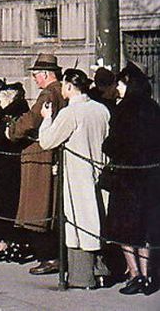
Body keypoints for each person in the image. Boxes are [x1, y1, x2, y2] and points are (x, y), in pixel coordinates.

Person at [38, 69, 111, 289]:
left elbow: (47, 141)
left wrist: (46, 119)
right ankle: (101, 270)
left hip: (78, 175)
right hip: (99, 170)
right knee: (98, 218)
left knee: (78, 222)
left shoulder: (70, 113)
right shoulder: (101, 110)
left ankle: (82, 276)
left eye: (63, 85)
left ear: (69, 86)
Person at [5, 53, 66, 276]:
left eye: (37, 75)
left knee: (37, 208)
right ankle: (51, 255)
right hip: (51, 153)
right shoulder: (61, 91)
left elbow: (32, 119)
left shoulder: (49, 93)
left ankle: (48, 257)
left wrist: (12, 131)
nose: (35, 79)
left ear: (47, 74)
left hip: (41, 155)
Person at [103, 63, 160, 296]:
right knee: (146, 229)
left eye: (120, 83)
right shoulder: (154, 107)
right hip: (151, 177)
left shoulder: (124, 109)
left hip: (127, 178)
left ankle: (135, 274)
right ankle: (148, 277)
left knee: (125, 229)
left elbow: (113, 144)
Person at [0, 82, 28, 262]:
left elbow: (5, 139)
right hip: (3, 165)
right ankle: (3, 243)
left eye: (2, 97)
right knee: (1, 205)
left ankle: (8, 244)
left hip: (10, 166)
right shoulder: (7, 114)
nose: (0, 100)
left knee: (7, 205)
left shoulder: (14, 114)